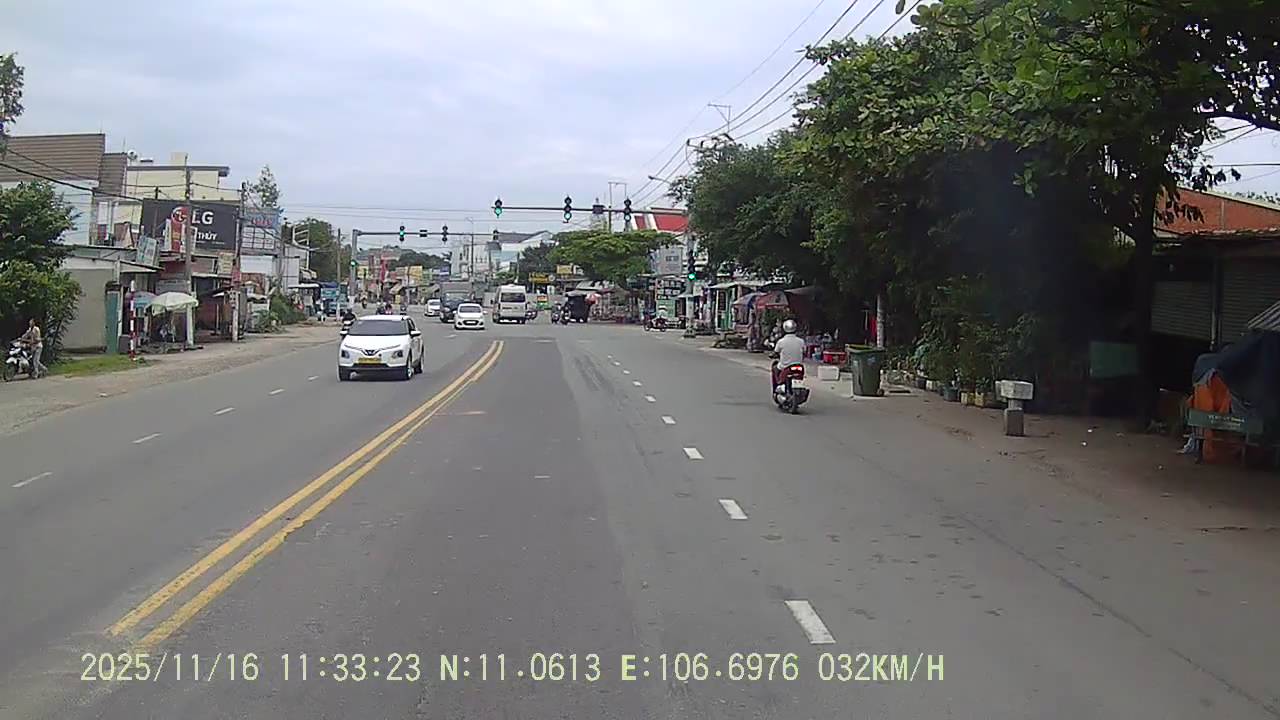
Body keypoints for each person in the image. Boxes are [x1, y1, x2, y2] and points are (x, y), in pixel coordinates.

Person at [771, 319, 805, 389]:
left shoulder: (781, 341)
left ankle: (777, 386)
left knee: (775, 368)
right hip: (799, 366)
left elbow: (775, 352)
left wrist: (773, 355)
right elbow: (804, 351)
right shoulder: (801, 341)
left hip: (785, 366)